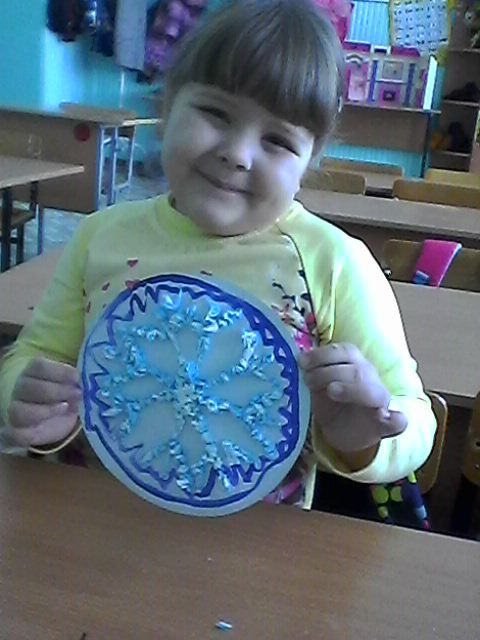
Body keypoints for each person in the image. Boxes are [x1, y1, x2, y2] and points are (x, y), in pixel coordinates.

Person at [0, 0, 436, 511]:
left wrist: (362, 437)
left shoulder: (335, 262)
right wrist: (22, 398)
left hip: (250, 549)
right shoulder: (100, 236)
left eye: (277, 140)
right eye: (215, 113)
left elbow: (415, 421)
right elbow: (32, 356)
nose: (237, 153)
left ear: (308, 162)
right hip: (92, 522)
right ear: (166, 111)